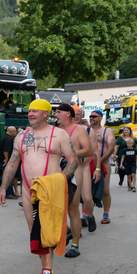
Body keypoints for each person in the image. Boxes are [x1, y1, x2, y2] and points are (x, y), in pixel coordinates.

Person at [0, 99, 78, 274]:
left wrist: (60, 179)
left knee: (45, 233)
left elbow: (73, 160)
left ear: (45, 114)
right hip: (27, 191)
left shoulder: (59, 134)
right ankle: (46, 268)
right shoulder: (21, 137)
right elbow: (13, 163)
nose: (31, 114)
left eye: (35, 111)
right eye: (29, 111)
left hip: (50, 191)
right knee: (35, 232)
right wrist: (3, 187)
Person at [55, 103, 93, 258]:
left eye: (58, 112)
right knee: (57, 208)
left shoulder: (79, 130)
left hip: (75, 169)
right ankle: (68, 231)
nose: (56, 115)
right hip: (57, 170)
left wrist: (69, 153)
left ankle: (75, 245)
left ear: (68, 114)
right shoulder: (56, 131)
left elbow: (88, 150)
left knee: (72, 208)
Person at [73, 105, 100, 232]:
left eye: (78, 114)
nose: (75, 116)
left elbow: (95, 151)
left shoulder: (88, 131)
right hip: (69, 168)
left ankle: (90, 216)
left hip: (84, 167)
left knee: (87, 198)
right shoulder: (63, 130)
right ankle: (77, 224)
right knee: (73, 200)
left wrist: (98, 169)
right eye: (73, 114)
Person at [88, 110, 115, 224]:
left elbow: (111, 148)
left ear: (100, 118)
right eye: (90, 116)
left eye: (94, 116)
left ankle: (106, 214)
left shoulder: (107, 131)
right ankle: (87, 215)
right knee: (87, 191)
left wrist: (99, 162)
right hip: (88, 165)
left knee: (105, 190)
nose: (92, 118)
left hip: (103, 164)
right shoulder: (87, 130)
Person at [1, 126, 19, 199]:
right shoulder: (9, 139)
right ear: (11, 132)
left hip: (6, 160)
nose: (16, 133)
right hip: (7, 161)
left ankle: (11, 192)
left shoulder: (6, 137)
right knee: (8, 176)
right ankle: (8, 193)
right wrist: (6, 159)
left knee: (10, 177)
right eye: (15, 131)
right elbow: (6, 150)